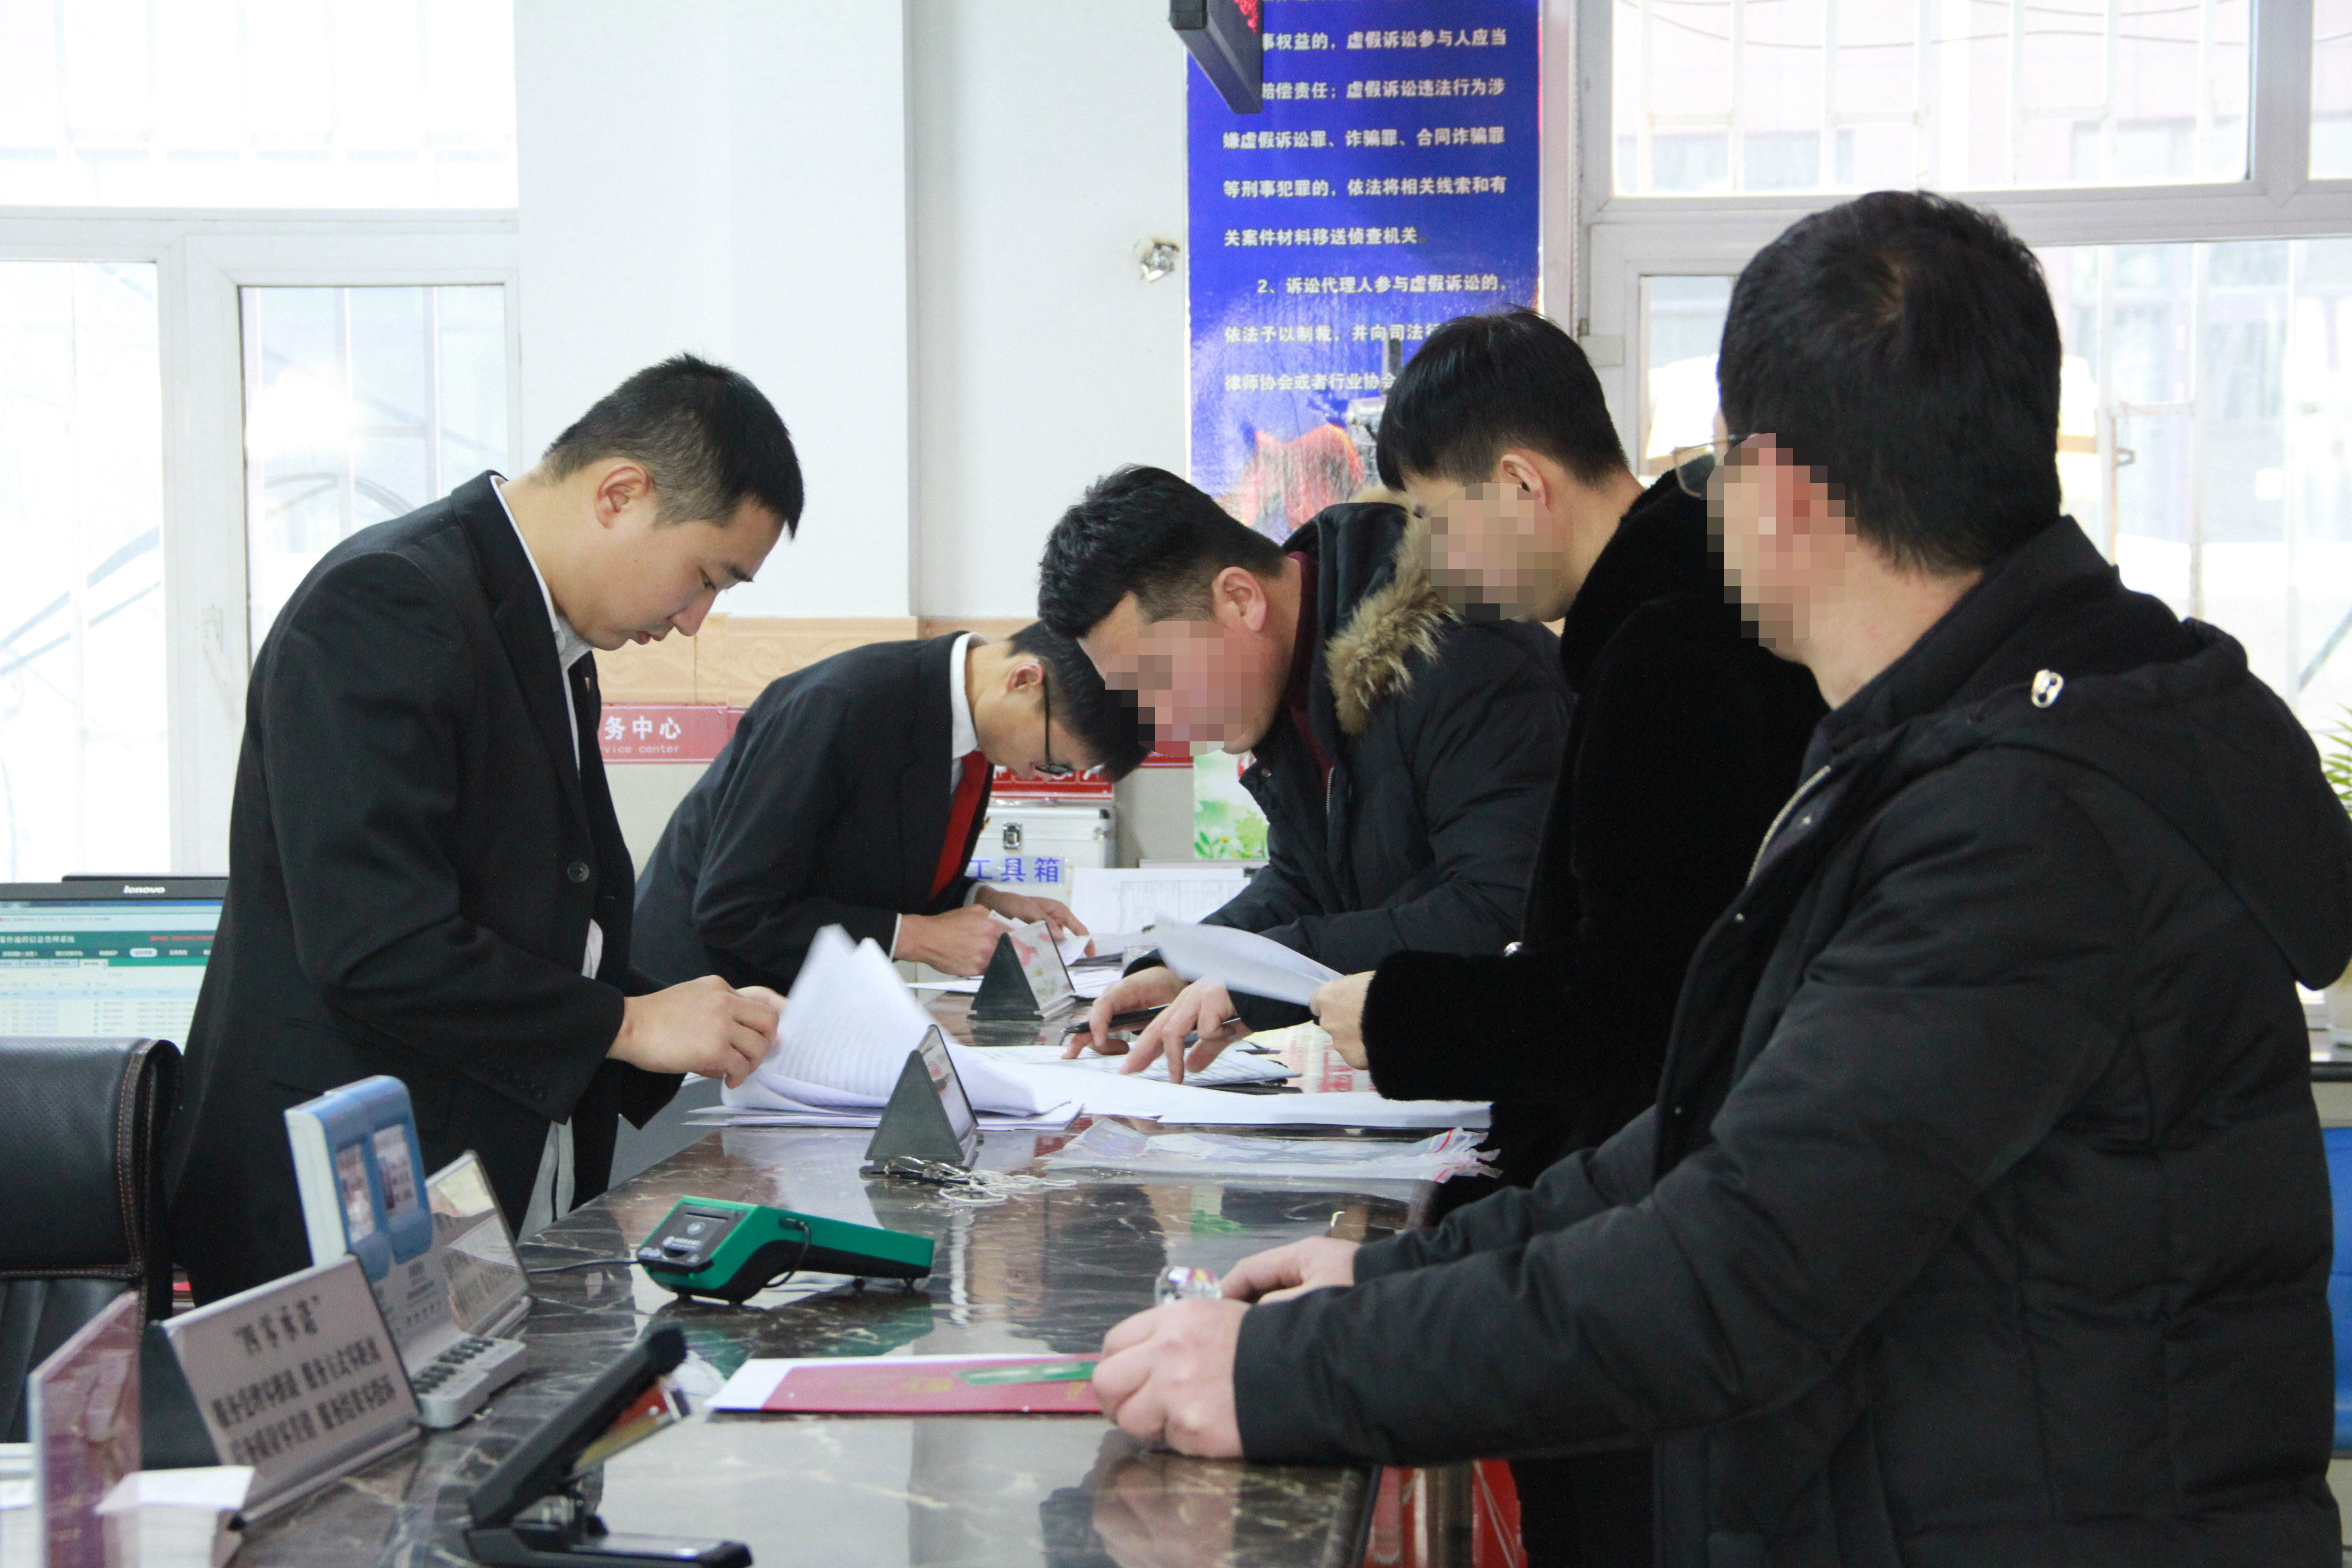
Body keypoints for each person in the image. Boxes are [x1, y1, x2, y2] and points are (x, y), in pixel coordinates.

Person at [1090, 191, 2352, 1566]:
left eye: (1716, 468)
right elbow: (1720, 1123)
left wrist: (1287, 1373)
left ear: (1782, 492)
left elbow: (1742, 1266)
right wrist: (1399, 1271)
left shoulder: (2021, 821)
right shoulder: (1929, 748)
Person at [1298, 310, 1825, 1565]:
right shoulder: (1668, 619)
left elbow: (1642, 1006)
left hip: (1656, 1249)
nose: (1431, 561)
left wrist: (1400, 1015)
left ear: (1523, 483)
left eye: (1435, 520)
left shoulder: (1666, 652)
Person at [168, 354, 803, 1303]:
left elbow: (524, 917)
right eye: (705, 576)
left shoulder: (548, 635)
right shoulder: (389, 602)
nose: (694, 620)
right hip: (339, 1216)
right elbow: (378, 944)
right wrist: (630, 1024)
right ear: (621, 493)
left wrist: (699, 1021)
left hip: (474, 1177)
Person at [1037, 466, 1568, 1076]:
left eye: (1157, 679)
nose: (1158, 721)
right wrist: (1182, 966)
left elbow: (1501, 907)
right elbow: (1307, 879)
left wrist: (1262, 978)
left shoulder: (1460, 654)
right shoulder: (1292, 681)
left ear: (1241, 599)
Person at [631, 622, 1150, 991]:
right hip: (693, 996)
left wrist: (984, 899)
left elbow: (868, 862)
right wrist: (916, 937)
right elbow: (732, 908)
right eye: (1053, 762)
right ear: (1024, 680)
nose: (1037, 776)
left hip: (790, 1004)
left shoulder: (970, 731)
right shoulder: (844, 704)